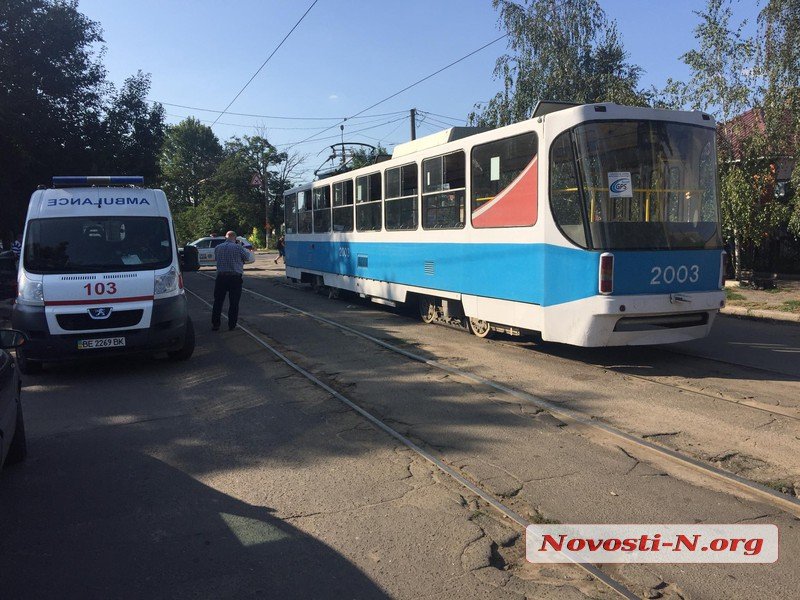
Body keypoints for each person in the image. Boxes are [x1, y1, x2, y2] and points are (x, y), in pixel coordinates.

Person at [211, 231, 254, 331]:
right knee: (234, 302)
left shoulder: (218, 247)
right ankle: (232, 325)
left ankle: (216, 324)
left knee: (218, 301)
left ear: (225, 237)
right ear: (235, 238)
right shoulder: (238, 247)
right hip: (235, 278)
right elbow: (247, 258)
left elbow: (217, 259)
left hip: (221, 277)